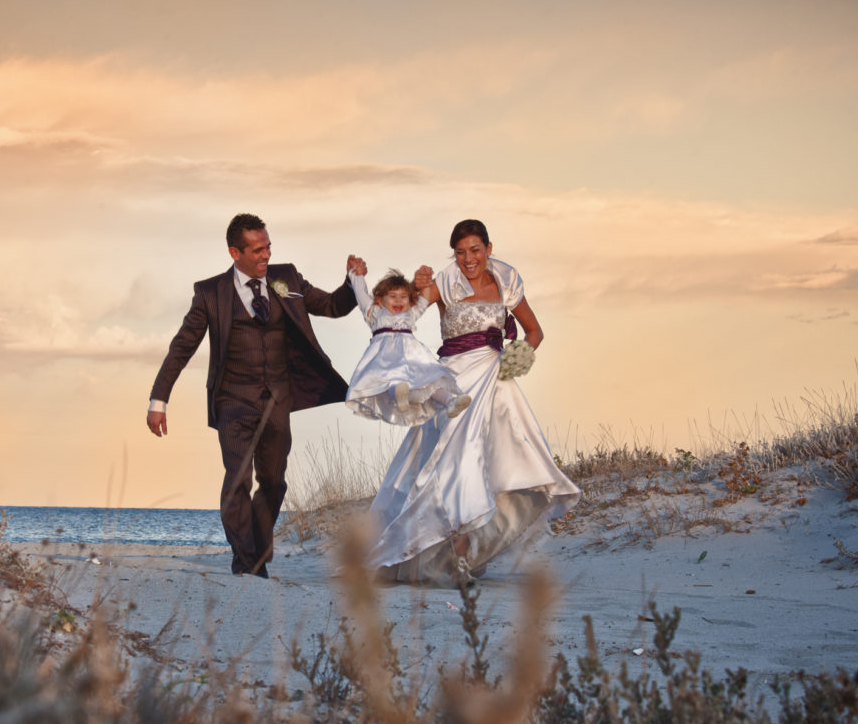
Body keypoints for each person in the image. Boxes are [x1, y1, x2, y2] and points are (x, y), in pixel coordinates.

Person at [147, 213, 364, 578]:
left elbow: (331, 306)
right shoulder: (210, 293)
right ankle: (248, 563)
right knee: (238, 480)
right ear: (235, 252)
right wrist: (159, 400)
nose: (265, 255)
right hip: (233, 400)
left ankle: (255, 555)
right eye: (257, 249)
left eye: (268, 247)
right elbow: (182, 347)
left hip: (278, 400)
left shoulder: (286, 278)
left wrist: (352, 281)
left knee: (275, 482)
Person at [366, 219, 580, 585]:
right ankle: (455, 561)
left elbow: (534, 331)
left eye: (475, 250)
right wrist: (411, 288)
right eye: (460, 252)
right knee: (453, 466)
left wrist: (518, 359)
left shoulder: (506, 283)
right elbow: (402, 315)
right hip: (454, 388)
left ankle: (467, 555)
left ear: (489, 249)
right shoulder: (444, 283)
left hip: (496, 385)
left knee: (493, 466)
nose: (468, 259)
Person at [345, 266, 471, 426]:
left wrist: (426, 282)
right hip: (386, 358)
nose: (398, 300)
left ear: (409, 300)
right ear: (379, 300)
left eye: (403, 296)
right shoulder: (375, 313)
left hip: (412, 358)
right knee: (390, 380)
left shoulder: (409, 314)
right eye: (392, 296)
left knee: (431, 381)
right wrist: (356, 275)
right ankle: (400, 397)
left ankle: (450, 401)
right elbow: (361, 294)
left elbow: (424, 300)